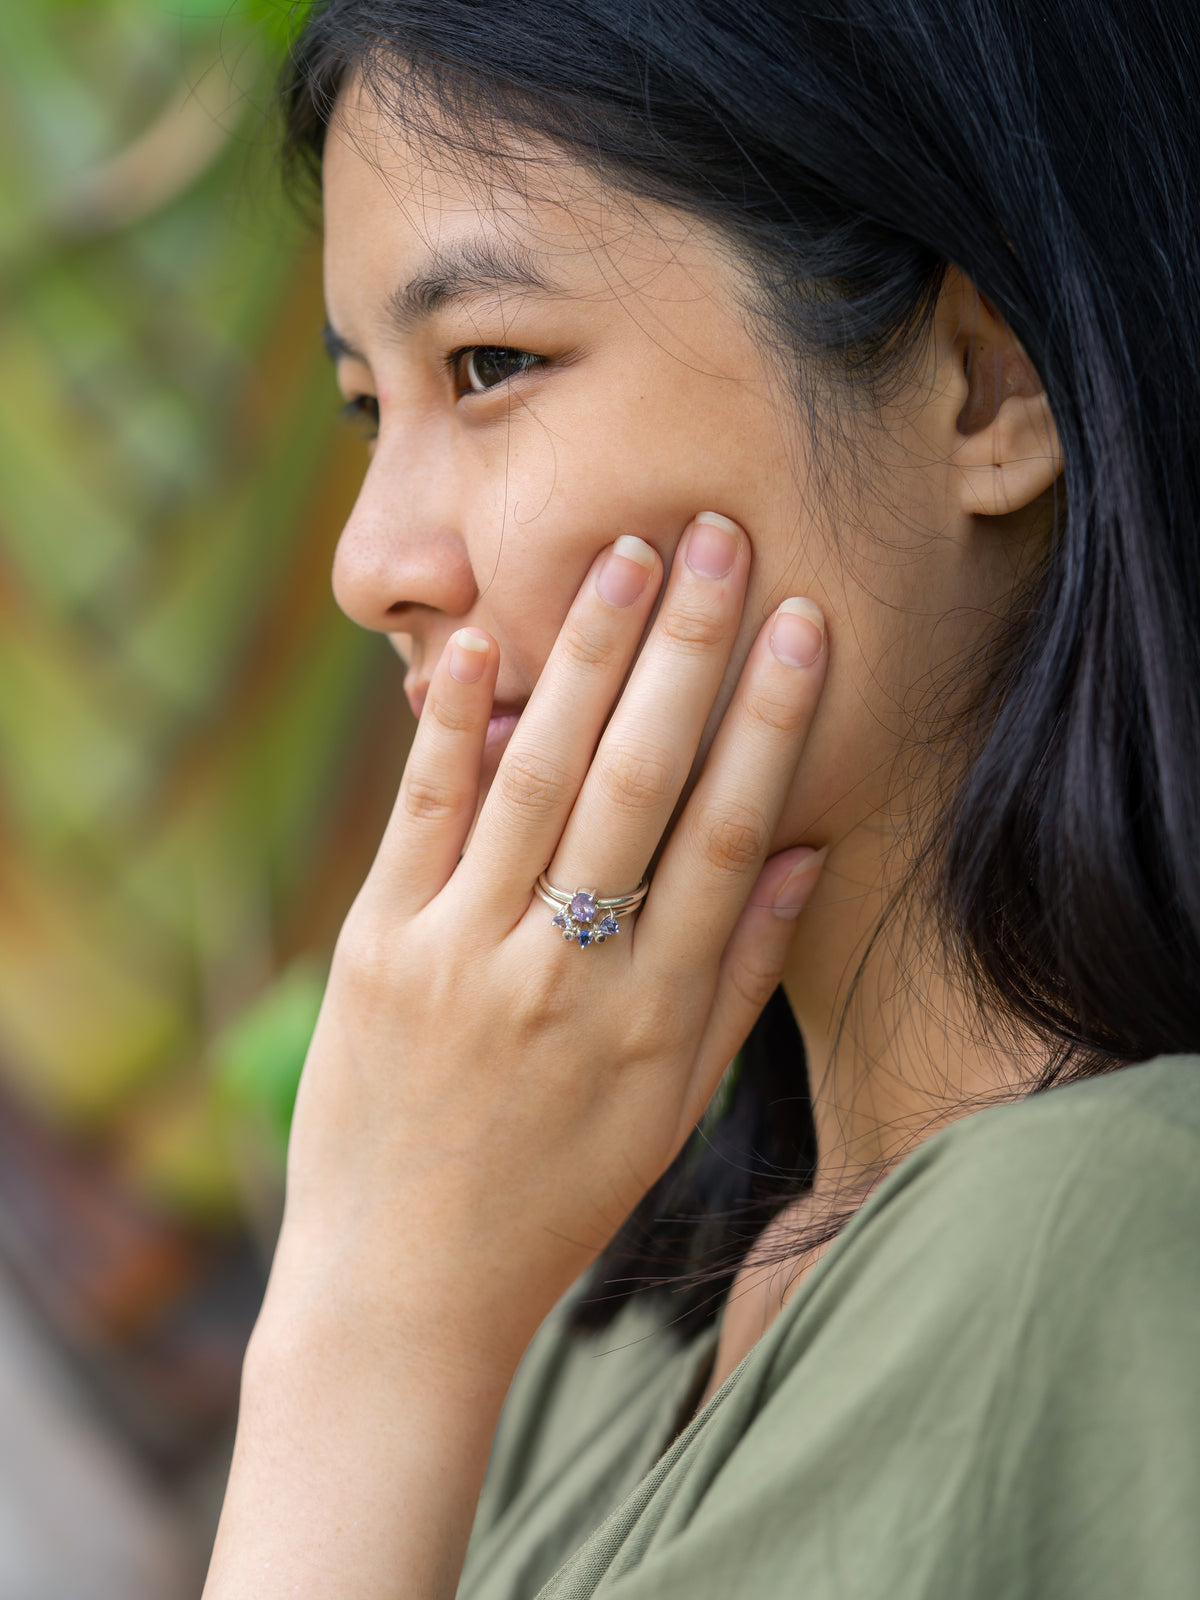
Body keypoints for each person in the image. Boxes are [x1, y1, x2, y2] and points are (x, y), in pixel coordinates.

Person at [203, 1, 1200, 1595]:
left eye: (490, 364)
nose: (371, 565)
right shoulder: (602, 1340)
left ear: (988, 389)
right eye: (366, 408)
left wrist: (366, 1332)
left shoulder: (1104, 1236)